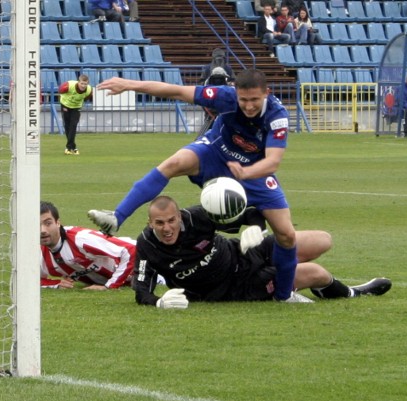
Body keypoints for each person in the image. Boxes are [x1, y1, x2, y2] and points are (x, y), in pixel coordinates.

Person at [88, 69, 300, 301]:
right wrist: (129, 84)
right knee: (174, 163)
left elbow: (273, 161)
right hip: (216, 151)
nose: (248, 106)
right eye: (244, 100)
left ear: (266, 93)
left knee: (287, 235)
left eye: (254, 100)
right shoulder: (224, 96)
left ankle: (284, 296)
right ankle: (117, 217)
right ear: (236, 94)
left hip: (254, 171)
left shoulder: (277, 115)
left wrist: (245, 173)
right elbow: (177, 91)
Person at [133, 196, 392, 307]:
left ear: (179, 216)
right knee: (316, 273)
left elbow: (251, 212)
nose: (167, 228)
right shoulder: (147, 245)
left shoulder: (197, 217)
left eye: (171, 221)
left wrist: (256, 228)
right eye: (159, 223)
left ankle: (319, 290)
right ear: (150, 223)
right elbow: (141, 290)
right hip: (235, 287)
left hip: (244, 252)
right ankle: (353, 293)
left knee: (322, 240)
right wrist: (159, 302)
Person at [40, 201, 136, 290]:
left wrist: (109, 286)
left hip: (145, 257)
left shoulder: (80, 239)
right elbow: (31, 280)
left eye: (48, 223)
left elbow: (131, 250)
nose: (43, 230)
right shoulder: (38, 253)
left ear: (58, 223)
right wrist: (56, 283)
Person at [59, 74, 92, 155]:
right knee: (67, 126)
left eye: (85, 84)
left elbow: (87, 98)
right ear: (78, 82)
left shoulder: (89, 90)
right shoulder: (68, 85)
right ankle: (73, 147)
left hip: (76, 107)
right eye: (82, 83)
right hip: (65, 105)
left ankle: (68, 147)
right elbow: (60, 91)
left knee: (73, 125)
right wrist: (63, 104)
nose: (83, 86)